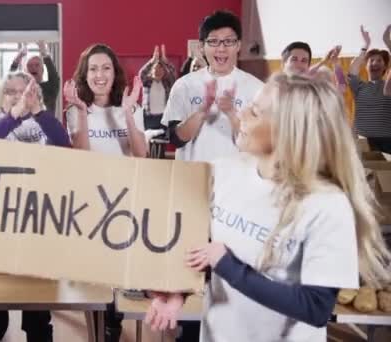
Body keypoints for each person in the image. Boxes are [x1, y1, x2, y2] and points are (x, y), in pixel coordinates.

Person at [144, 73, 391, 342]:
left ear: (287, 130)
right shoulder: (227, 171)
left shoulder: (326, 205)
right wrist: (179, 292)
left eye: (255, 111)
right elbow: (208, 254)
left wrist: (228, 265)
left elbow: (316, 307)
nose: (242, 114)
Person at [0, 71, 69, 342]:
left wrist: (37, 112)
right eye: (10, 91)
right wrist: (15, 115)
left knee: (38, 321)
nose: (17, 95)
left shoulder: (46, 122)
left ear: (36, 96)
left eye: (24, 90)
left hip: (38, 228)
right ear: (0, 96)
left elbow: (64, 146)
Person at [63, 43, 147, 341]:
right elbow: (81, 155)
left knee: (121, 274)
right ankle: (97, 329)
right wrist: (82, 114)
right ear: (85, 75)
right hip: (91, 202)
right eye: (93, 69)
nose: (100, 75)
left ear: (115, 73)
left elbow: (141, 156)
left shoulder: (131, 106)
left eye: (106, 68)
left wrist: (127, 114)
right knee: (95, 276)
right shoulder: (75, 110)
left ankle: (114, 322)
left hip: (126, 201)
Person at [162, 10, 263, 163]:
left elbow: (259, 144)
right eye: (214, 41)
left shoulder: (257, 89)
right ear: (202, 46)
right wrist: (202, 111)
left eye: (229, 41)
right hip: (193, 177)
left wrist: (231, 113)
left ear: (238, 45)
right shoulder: (184, 85)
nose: (221, 48)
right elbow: (175, 139)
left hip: (238, 178)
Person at [349, 24, 391, 153]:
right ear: (366, 66)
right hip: (362, 139)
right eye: (371, 61)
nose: (375, 63)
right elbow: (352, 69)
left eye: (379, 61)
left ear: (385, 67)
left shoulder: (388, 85)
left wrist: (388, 43)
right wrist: (366, 44)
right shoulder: (359, 86)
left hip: (388, 140)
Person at [10, 41, 60, 112]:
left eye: (37, 65)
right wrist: (17, 58)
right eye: (29, 66)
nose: (33, 68)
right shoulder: (22, 88)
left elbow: (54, 77)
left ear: (42, 70)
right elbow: (9, 81)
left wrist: (44, 54)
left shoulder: (50, 88)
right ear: (25, 71)